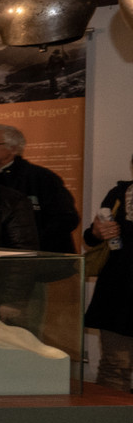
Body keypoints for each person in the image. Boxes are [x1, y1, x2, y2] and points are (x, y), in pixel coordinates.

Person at [0, 123, 80, 253]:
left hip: (42, 259)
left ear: (14, 148)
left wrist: (29, 241)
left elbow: (66, 218)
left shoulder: (41, 177)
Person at [84, 155, 132, 391]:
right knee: (115, 367)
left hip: (118, 294)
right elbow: (90, 238)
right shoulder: (118, 195)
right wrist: (97, 231)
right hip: (119, 294)